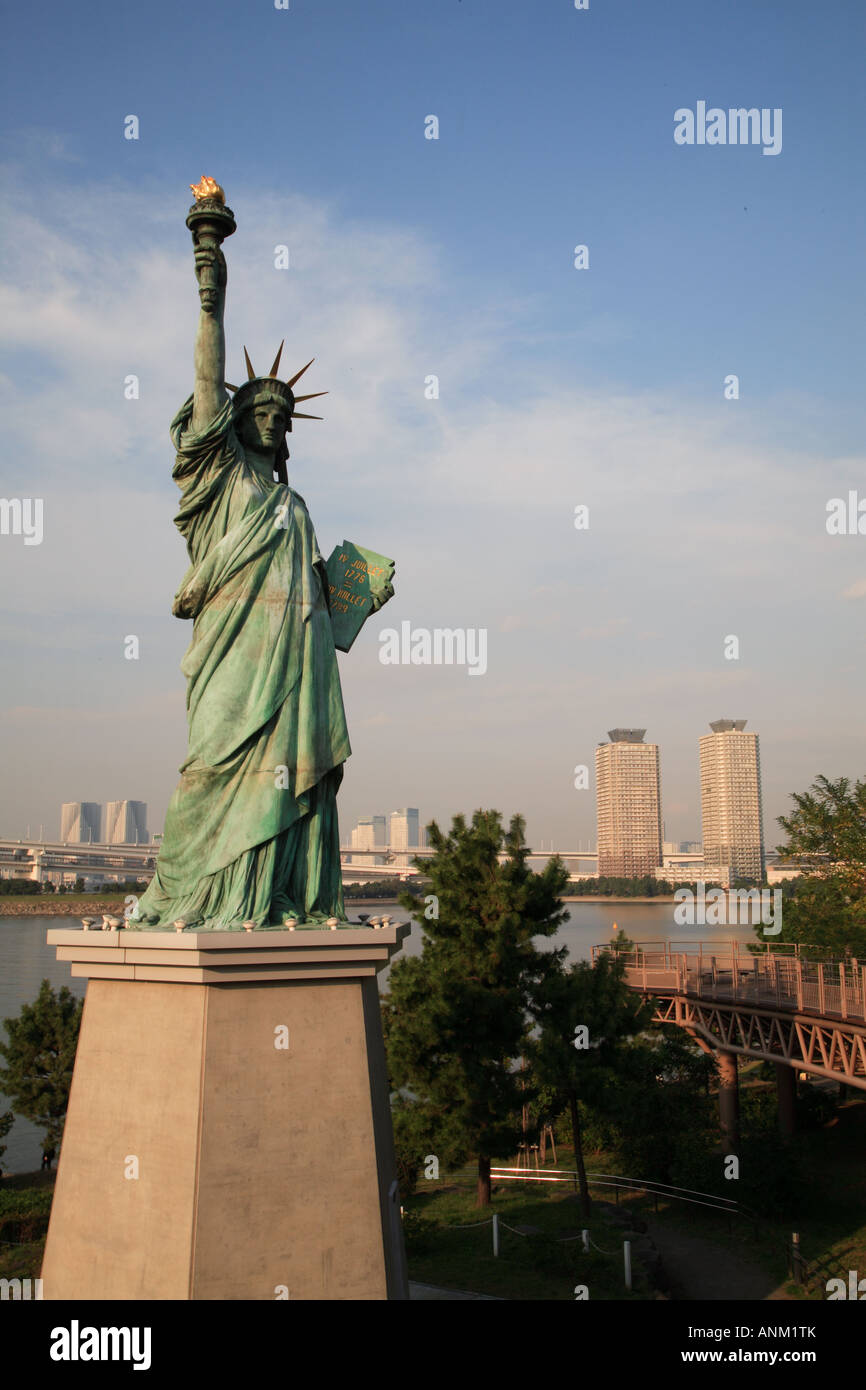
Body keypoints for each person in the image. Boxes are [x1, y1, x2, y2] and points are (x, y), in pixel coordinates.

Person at [133, 226, 383, 930]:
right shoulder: (220, 477)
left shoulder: (293, 504)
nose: (271, 421)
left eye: (282, 415)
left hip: (295, 669)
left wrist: (357, 601)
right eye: (260, 412)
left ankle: (272, 893)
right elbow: (206, 383)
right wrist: (209, 293)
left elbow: (318, 617)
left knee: (286, 771)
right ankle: (200, 893)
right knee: (211, 765)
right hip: (230, 657)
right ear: (237, 422)